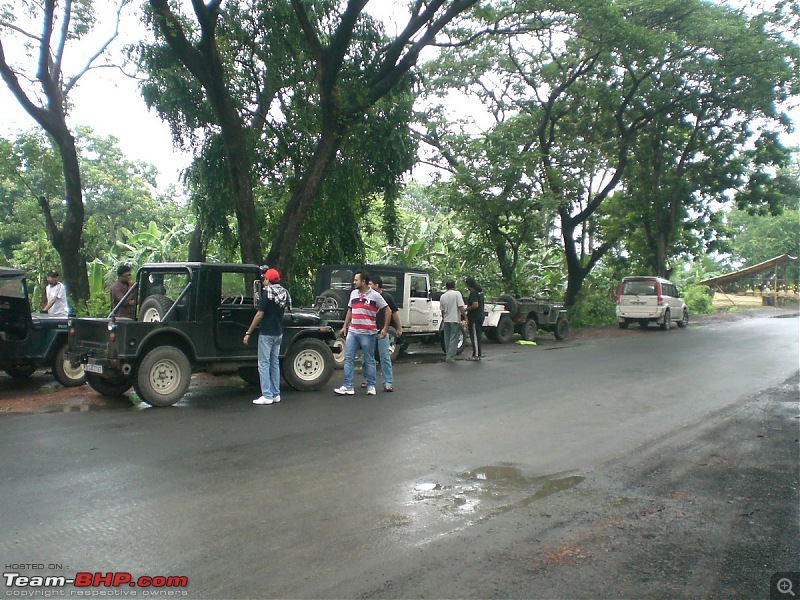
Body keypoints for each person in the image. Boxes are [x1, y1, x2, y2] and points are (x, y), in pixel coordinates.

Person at [334, 270, 390, 396]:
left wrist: (385, 328)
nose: (354, 282)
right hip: (353, 331)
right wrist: (345, 326)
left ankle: (371, 385)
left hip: (368, 332)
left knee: (369, 359)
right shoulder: (353, 293)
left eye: (356, 280)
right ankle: (348, 386)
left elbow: (388, 310)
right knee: (348, 358)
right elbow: (350, 310)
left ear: (363, 281)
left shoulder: (375, 295)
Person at [244, 268, 291, 406]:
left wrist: (248, 332)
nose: (263, 280)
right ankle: (276, 394)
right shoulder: (284, 293)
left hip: (266, 333)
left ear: (267, 280)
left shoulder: (267, 294)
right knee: (274, 363)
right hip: (278, 333)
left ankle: (266, 395)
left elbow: (259, 314)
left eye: (264, 278)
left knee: (263, 364)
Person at [364, 275, 402, 392]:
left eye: (370, 284)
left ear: (376, 285)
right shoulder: (367, 297)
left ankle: (387, 382)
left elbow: (394, 313)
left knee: (384, 356)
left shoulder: (387, 297)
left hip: (382, 331)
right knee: (367, 357)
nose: (368, 287)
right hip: (369, 331)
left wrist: (398, 328)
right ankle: (368, 380)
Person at [439, 279, 466, 362]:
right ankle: (450, 357)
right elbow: (461, 306)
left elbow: (442, 310)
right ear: (454, 286)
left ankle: (448, 354)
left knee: (447, 338)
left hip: (446, 320)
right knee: (454, 338)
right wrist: (465, 316)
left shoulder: (443, 296)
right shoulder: (457, 294)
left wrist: (444, 318)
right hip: (454, 319)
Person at [464, 276, 484, 361]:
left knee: (475, 336)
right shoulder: (480, 292)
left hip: (475, 317)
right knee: (478, 335)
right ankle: (477, 353)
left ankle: (476, 355)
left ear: (469, 285)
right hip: (480, 316)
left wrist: (466, 309)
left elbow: (475, 305)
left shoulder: (474, 293)